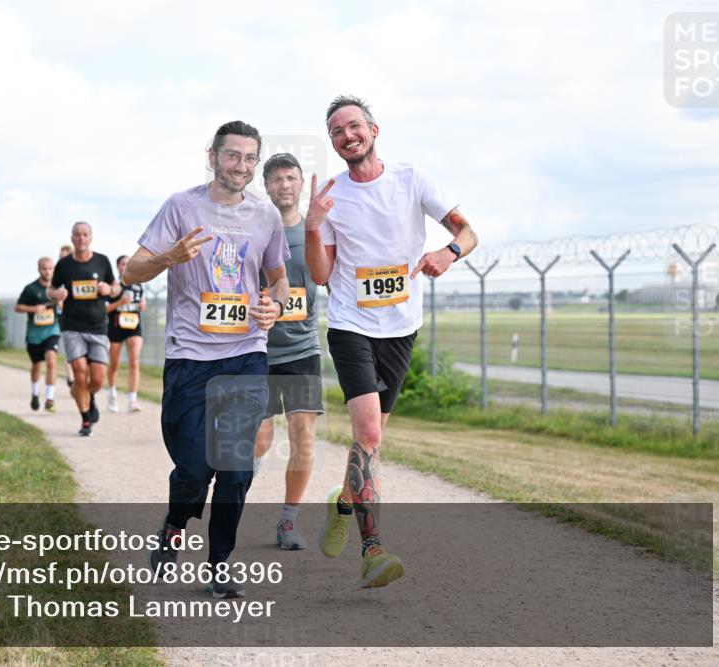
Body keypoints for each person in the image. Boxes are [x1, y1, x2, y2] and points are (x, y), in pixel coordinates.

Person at [305, 95, 479, 588]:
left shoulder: (411, 179)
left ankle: (343, 502)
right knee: (371, 435)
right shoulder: (332, 196)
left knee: (370, 439)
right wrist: (313, 226)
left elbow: (468, 233)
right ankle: (373, 549)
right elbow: (321, 274)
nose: (347, 136)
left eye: (354, 126)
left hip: (401, 327)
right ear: (334, 143)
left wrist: (448, 252)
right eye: (337, 131)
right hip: (350, 324)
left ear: (374, 131)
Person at [124, 120, 289, 599]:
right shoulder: (181, 206)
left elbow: (278, 278)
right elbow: (133, 269)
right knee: (195, 469)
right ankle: (175, 525)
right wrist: (169, 258)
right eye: (232, 155)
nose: (240, 166)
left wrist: (274, 305)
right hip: (191, 357)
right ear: (212, 156)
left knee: (236, 469)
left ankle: (220, 563)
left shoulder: (266, 217)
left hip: (245, 354)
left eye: (248, 158)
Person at [251, 153, 324, 551]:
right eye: (276, 179)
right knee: (260, 438)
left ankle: (288, 521)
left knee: (303, 435)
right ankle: (244, 479)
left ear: (300, 184)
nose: (284, 185)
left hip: (302, 349)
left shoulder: (316, 230)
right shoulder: (256, 229)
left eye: (291, 178)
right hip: (259, 350)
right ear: (266, 186)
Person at [48, 223, 120, 436]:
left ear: (91, 238)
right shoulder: (64, 265)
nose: (81, 238)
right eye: (77, 235)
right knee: (79, 373)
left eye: (85, 234)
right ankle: (85, 418)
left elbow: (115, 287)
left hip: (97, 327)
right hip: (72, 327)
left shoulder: (102, 261)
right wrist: (55, 295)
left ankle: (89, 397)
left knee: (97, 379)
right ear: (72, 238)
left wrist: (109, 289)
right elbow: (50, 290)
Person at [16, 257, 62, 412]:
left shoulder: (58, 289)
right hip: (34, 334)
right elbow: (18, 307)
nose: (47, 271)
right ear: (39, 269)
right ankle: (35, 393)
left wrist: (62, 302)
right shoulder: (31, 289)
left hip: (52, 330)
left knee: (51, 361)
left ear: (54, 269)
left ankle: (49, 399)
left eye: (50, 268)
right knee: (37, 365)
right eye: (44, 268)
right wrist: (33, 309)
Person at [105, 255, 146, 413]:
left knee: (134, 360)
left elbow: (142, 302)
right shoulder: (113, 287)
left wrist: (142, 304)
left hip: (134, 326)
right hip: (115, 327)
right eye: (123, 264)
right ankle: (112, 393)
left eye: (128, 264)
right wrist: (119, 303)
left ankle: (132, 399)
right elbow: (104, 309)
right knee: (114, 364)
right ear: (117, 267)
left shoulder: (139, 285)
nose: (126, 266)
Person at [59, 244, 76, 388]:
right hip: (63, 317)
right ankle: (71, 377)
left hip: (79, 316)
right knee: (68, 347)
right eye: (60, 258)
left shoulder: (78, 273)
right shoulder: (57, 275)